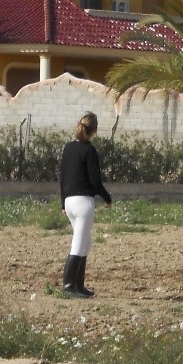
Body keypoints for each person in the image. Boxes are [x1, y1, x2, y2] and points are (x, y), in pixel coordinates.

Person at [58, 112, 113, 299]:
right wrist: (107, 198)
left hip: (69, 201)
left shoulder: (68, 148)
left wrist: (62, 202)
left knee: (85, 242)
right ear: (94, 130)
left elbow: (63, 177)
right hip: (83, 203)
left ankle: (79, 285)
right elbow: (95, 181)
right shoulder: (89, 150)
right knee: (79, 243)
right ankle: (68, 285)